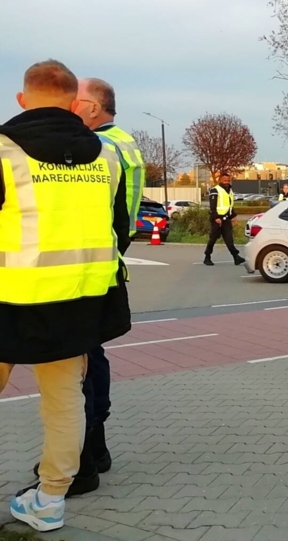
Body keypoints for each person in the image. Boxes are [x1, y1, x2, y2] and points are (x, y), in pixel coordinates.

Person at [0, 60, 131, 532]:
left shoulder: (4, 151)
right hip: (78, 301)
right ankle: (50, 500)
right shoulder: (106, 156)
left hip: (10, 297)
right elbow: (118, 228)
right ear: (74, 103)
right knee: (64, 401)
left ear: (22, 99)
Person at [69, 79, 144, 486]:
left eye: (74, 100)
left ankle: (85, 450)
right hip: (110, 257)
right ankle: (95, 446)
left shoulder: (99, 147)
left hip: (92, 260)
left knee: (82, 359)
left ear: (94, 108)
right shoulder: (124, 142)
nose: (68, 107)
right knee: (92, 354)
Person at [203, 173, 245, 267]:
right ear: (220, 180)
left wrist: (233, 216)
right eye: (225, 180)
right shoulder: (215, 190)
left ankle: (236, 257)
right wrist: (216, 217)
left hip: (226, 219)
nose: (227, 182)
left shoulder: (229, 190)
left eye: (228, 180)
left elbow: (229, 205)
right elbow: (212, 206)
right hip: (217, 220)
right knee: (213, 239)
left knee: (229, 240)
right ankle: (207, 257)